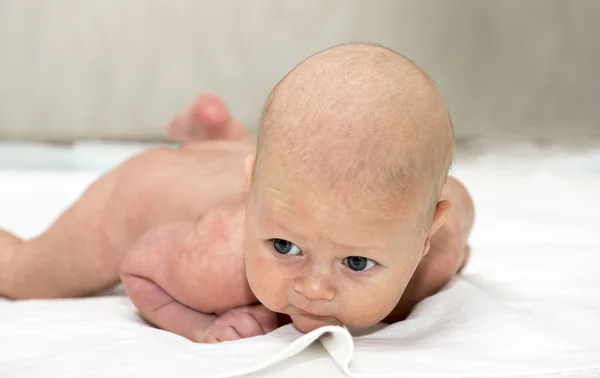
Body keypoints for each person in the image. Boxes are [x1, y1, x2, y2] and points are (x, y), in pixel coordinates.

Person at [0, 43, 474, 343]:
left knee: (296, 176)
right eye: (284, 247)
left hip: (243, 170)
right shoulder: (216, 260)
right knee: (24, 274)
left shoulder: (434, 252)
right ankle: (216, 143)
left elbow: (458, 203)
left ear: (426, 234)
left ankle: (220, 138)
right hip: (144, 191)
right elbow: (138, 267)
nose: (312, 289)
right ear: (253, 201)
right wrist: (199, 325)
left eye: (356, 263)